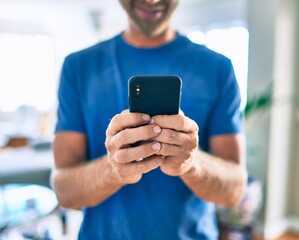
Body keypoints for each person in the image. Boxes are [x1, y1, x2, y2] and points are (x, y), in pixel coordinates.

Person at [51, 0, 248, 239]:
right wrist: (113, 170)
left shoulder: (218, 68)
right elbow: (64, 192)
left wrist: (190, 163)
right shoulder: (78, 67)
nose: (153, 0)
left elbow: (234, 191)